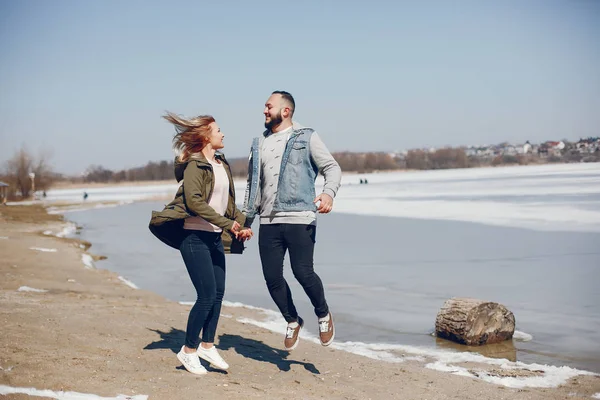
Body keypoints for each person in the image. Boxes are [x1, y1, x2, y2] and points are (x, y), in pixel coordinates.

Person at [149, 112, 253, 375]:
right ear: (206, 135)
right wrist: (228, 223)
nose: (223, 133)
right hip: (193, 237)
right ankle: (188, 350)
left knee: (217, 295)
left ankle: (207, 345)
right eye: (218, 129)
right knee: (205, 296)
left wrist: (242, 223)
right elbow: (195, 203)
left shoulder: (221, 164)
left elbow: (228, 205)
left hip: (214, 237)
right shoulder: (195, 165)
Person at [243, 91, 342, 351]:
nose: (264, 111)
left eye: (268, 106)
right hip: (268, 220)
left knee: (302, 272)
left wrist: (328, 193)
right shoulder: (258, 144)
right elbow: (253, 186)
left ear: (285, 111)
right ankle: (292, 320)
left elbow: (332, 167)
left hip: (300, 217)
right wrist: (246, 222)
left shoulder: (306, 136)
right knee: (272, 277)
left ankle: (323, 314)